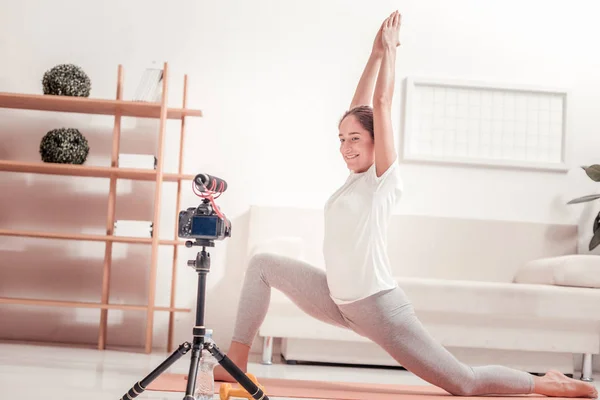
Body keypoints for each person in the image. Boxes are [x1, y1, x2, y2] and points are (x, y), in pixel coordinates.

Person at [214, 11, 598, 398]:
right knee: (263, 265)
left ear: (376, 141)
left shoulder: (382, 181)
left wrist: (392, 51)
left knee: (463, 383)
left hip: (380, 309)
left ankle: (546, 383)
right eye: (341, 139)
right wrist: (374, 53)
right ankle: (236, 363)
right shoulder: (353, 181)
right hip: (338, 299)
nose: (346, 147)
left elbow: (379, 103)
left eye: (355, 140)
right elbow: (361, 106)